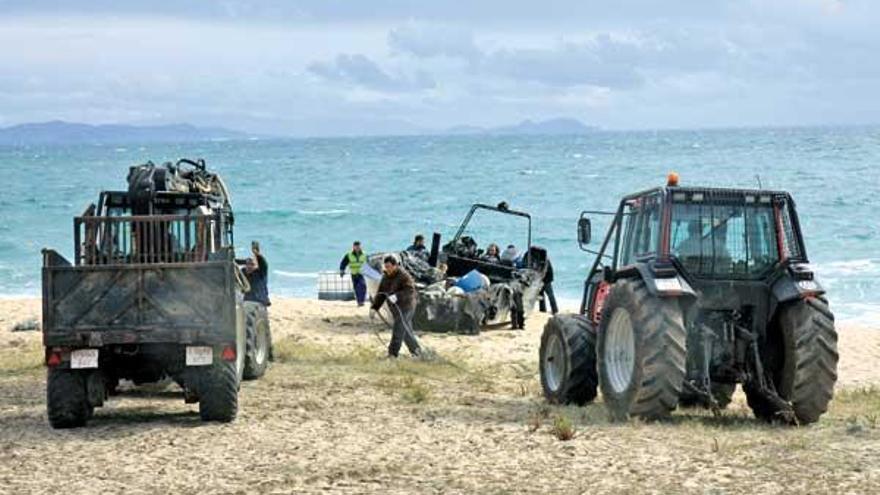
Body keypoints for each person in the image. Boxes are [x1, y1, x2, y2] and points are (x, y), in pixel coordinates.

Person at [370, 255, 422, 358]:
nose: (387, 269)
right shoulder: (385, 277)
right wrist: (374, 308)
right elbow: (381, 294)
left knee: (398, 329)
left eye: (389, 267)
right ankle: (417, 353)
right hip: (395, 309)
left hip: (407, 306)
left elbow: (410, 291)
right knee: (406, 332)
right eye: (385, 267)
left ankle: (392, 354)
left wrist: (397, 296)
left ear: (395, 266)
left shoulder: (404, 276)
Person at [340, 241, 368, 306]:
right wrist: (342, 270)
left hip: (361, 273)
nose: (357, 248)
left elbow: (369, 263)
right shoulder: (349, 255)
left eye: (358, 246)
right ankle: (359, 302)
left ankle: (362, 300)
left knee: (363, 286)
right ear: (353, 247)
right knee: (356, 288)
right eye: (356, 246)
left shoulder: (364, 254)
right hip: (354, 274)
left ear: (360, 246)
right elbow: (343, 263)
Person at [243, 241, 271, 306]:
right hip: (248, 302)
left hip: (260, 303)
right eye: (248, 264)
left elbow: (264, 264)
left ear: (256, 266)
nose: (249, 266)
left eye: (252, 264)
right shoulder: (243, 273)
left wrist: (257, 254)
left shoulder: (261, 273)